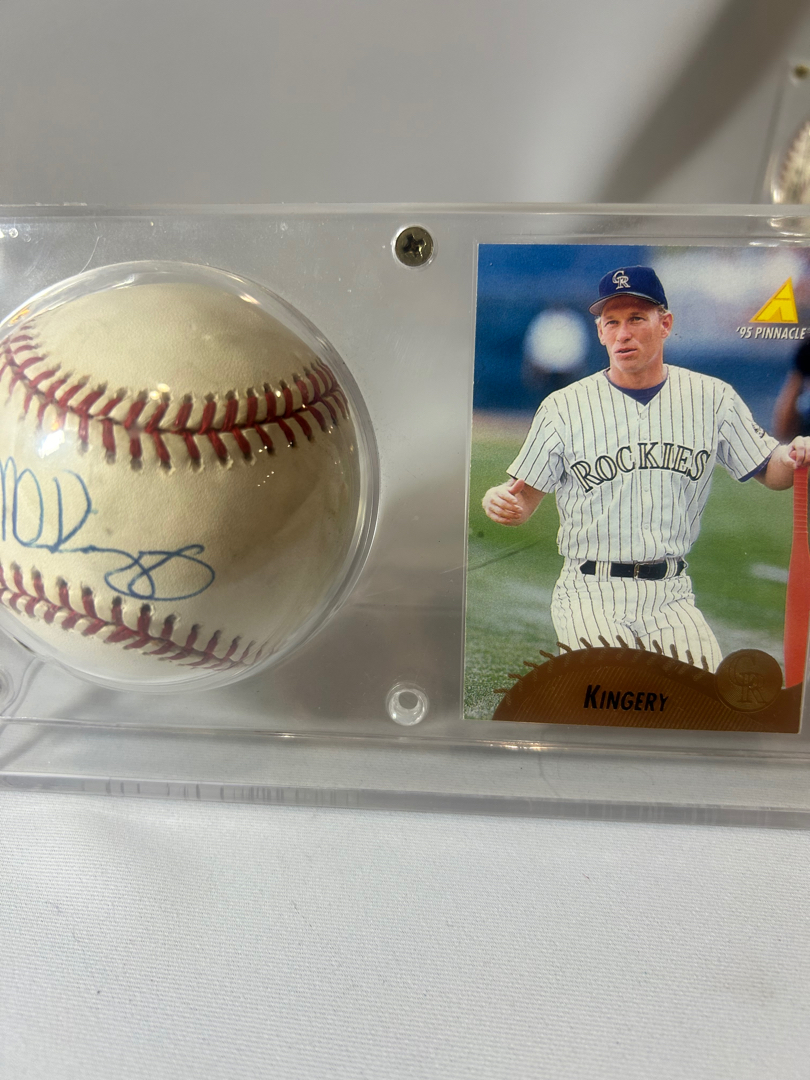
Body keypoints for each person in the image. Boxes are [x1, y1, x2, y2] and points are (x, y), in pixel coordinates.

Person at [482, 265, 810, 671]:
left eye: (636, 318)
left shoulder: (713, 398)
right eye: (612, 322)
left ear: (665, 324)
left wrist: (792, 456)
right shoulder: (563, 407)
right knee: (613, 692)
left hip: (671, 595)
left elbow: (770, 470)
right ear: (600, 332)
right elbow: (521, 501)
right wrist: (499, 501)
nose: (623, 333)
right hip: (590, 592)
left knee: (703, 700)